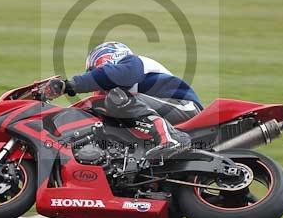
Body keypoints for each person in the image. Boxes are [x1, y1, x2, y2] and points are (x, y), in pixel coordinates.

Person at [43, 41, 202, 164]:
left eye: (94, 72)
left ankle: (172, 139)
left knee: (116, 97)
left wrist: (70, 85)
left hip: (184, 106)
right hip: (165, 110)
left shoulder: (133, 63)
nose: (96, 82)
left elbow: (113, 77)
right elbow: (94, 103)